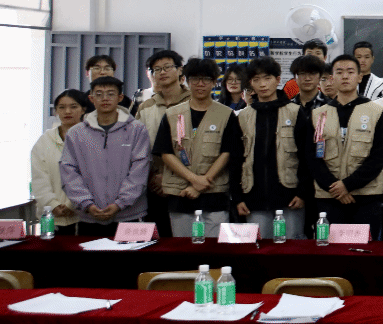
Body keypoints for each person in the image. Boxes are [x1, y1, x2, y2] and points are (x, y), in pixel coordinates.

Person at [296, 53, 383, 237]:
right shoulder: (318, 115)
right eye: (339, 72)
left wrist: (347, 185)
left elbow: (378, 157)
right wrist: (335, 187)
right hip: (328, 197)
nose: (345, 76)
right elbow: (312, 157)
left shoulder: (376, 112)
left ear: (359, 77)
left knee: (364, 249)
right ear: (332, 78)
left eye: (350, 72)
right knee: (331, 250)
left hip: (366, 196)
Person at [154, 58, 241, 238]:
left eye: (206, 79)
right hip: (180, 193)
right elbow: (165, 152)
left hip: (214, 194)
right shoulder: (172, 114)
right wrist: (193, 179)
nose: (200, 84)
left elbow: (227, 152)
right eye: (195, 79)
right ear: (186, 81)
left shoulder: (226, 115)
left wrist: (201, 183)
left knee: (213, 247)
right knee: (182, 247)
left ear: (214, 82)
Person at [60, 76, 151, 239]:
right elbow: (68, 171)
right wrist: (87, 204)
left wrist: (120, 204)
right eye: (99, 94)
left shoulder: (137, 130)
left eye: (110, 94)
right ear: (91, 98)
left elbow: (140, 170)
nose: (105, 99)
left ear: (120, 97)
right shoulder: (76, 133)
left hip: (129, 216)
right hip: (88, 216)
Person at [232, 57, 305, 239]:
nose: (262, 84)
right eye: (256, 80)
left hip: (290, 196)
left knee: (292, 247)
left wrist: (303, 193)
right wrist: (238, 197)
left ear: (278, 79)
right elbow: (236, 159)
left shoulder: (295, 112)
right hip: (254, 197)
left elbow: (307, 156)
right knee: (259, 247)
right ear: (251, 83)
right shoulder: (243, 116)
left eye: (267, 78)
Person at [32, 89, 91, 235]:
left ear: (83, 109)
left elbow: (94, 177)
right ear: (56, 111)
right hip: (52, 217)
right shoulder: (45, 141)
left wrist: (72, 205)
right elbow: (39, 179)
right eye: (62, 107)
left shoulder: (93, 139)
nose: (67, 111)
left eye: (73, 106)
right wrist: (52, 205)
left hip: (85, 217)